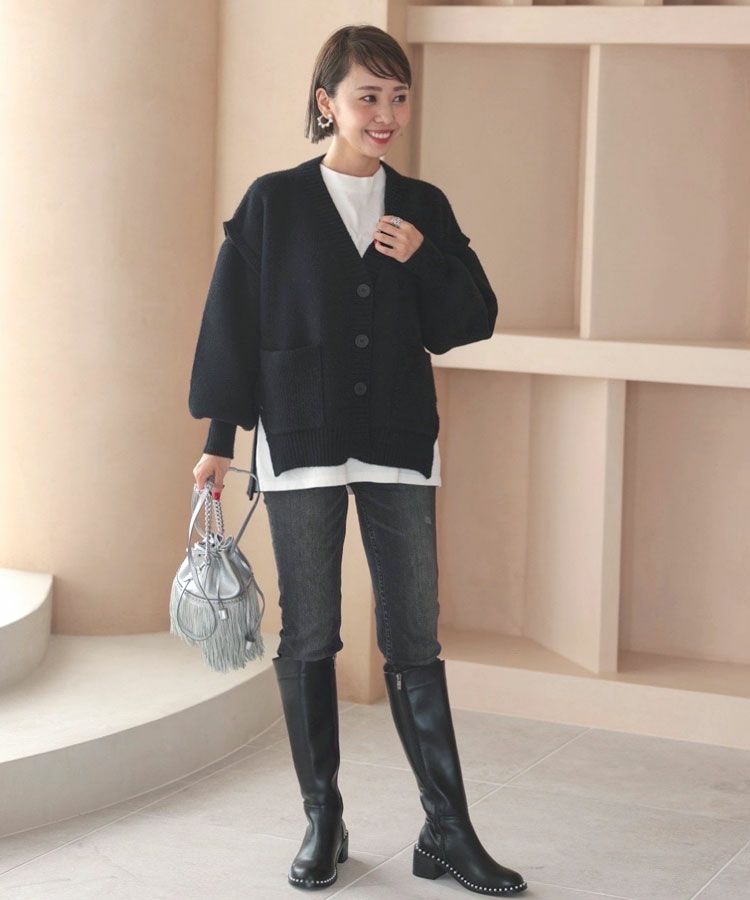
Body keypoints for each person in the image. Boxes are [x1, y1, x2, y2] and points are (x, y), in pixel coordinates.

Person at [189, 23, 527, 896]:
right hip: (300, 437)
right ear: (326, 102)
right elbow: (233, 325)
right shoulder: (273, 202)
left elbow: (471, 320)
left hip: (398, 441)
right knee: (310, 632)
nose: (386, 113)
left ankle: (447, 831)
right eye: (368, 95)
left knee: (415, 633)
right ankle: (323, 820)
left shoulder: (423, 205)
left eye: (398, 97)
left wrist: (425, 260)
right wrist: (219, 443)